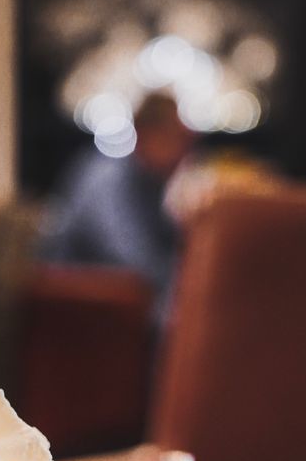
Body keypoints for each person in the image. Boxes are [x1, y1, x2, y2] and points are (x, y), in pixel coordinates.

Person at [40, 93, 196, 312]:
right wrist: (193, 277)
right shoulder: (106, 178)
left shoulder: (150, 183)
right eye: (178, 140)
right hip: (75, 305)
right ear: (145, 134)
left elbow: (167, 245)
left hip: (117, 300)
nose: (184, 155)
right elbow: (128, 257)